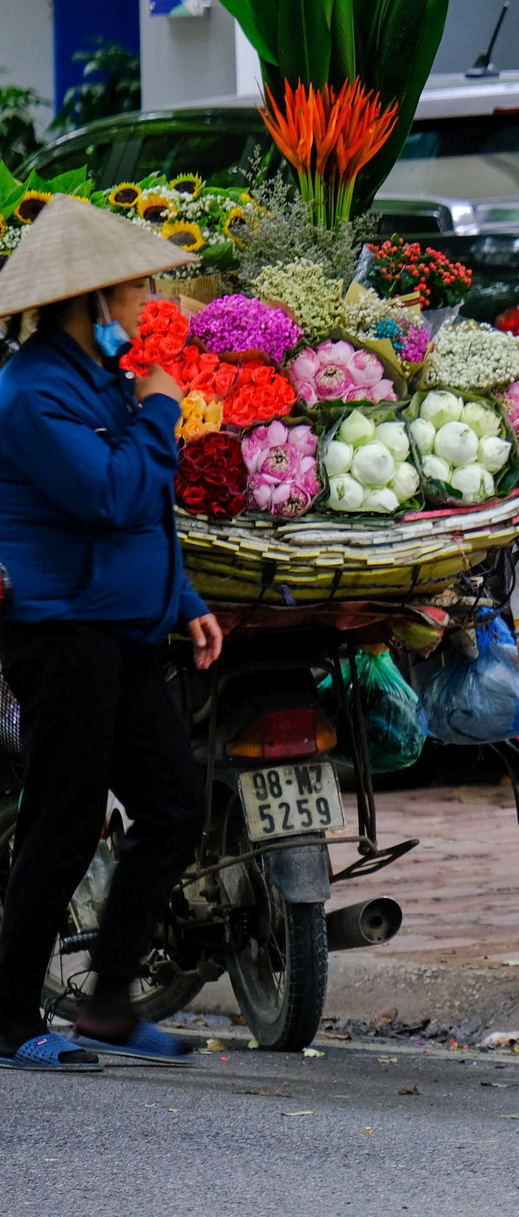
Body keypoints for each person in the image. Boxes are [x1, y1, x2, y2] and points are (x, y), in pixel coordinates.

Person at [0, 196, 224, 1072]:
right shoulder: (30, 393)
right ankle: (12, 1017)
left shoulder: (98, 375)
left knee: (173, 804)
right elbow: (112, 496)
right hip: (62, 634)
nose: (146, 301)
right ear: (89, 299)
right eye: (134, 287)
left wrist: (186, 598)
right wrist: (163, 410)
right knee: (63, 821)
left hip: (126, 626)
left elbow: (142, 521)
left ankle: (106, 1003)